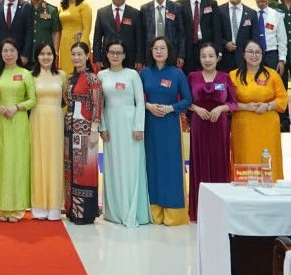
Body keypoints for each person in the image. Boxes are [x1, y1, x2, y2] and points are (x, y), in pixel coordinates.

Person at [98, 39, 150, 227]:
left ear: (125, 55)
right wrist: (102, 127)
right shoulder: (101, 75)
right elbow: (99, 105)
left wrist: (138, 127)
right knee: (112, 166)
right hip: (111, 126)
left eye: (119, 53)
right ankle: (113, 212)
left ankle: (131, 210)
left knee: (130, 166)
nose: (115, 56)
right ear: (107, 54)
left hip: (130, 126)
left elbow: (140, 102)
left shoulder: (133, 74)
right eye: (112, 52)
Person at [140, 36, 191, 225]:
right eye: (155, 48)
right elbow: (135, 97)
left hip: (170, 124)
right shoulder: (144, 73)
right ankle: (154, 211)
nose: (159, 51)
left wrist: (171, 108)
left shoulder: (177, 74)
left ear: (169, 51)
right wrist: (148, 106)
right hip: (150, 124)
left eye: (163, 48)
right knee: (151, 164)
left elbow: (187, 100)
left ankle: (173, 212)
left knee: (171, 165)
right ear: (151, 51)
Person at [0, 37, 36, 222]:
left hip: (19, 122)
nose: (8, 54)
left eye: (12, 51)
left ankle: (17, 208)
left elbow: (33, 100)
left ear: (18, 53)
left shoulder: (25, 73)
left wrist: (17, 107)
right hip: (0, 122)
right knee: (0, 161)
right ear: (0, 54)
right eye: (5, 51)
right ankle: (1, 207)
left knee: (18, 162)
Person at [187, 41, 235, 221]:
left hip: (219, 125)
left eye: (211, 56)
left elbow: (233, 102)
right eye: (203, 56)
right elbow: (184, 100)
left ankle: (219, 210)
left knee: (219, 162)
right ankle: (199, 210)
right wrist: (195, 109)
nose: (207, 60)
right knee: (200, 162)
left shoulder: (224, 77)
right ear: (199, 58)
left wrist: (220, 109)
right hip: (199, 125)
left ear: (218, 58)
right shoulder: (192, 76)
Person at [230, 39, 288, 181]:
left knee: (268, 159)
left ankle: (271, 188)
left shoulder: (272, 74)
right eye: (250, 52)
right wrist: (245, 106)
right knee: (245, 157)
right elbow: (228, 102)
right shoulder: (233, 76)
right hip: (243, 127)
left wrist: (268, 106)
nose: (254, 55)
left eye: (258, 52)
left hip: (267, 125)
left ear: (262, 55)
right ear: (243, 54)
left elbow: (282, 99)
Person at [64, 41, 103, 224]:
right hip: (70, 128)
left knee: (84, 170)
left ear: (87, 56)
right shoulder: (71, 77)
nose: (76, 57)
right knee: (71, 168)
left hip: (85, 128)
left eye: (80, 54)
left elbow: (97, 104)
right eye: (73, 54)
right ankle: (72, 209)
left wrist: (95, 129)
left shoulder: (92, 78)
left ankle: (85, 213)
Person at [29, 42, 66, 221]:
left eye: (49, 54)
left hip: (56, 120)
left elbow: (68, 100)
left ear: (55, 56)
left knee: (55, 159)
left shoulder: (62, 75)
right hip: (36, 119)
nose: (46, 57)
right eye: (42, 54)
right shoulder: (30, 76)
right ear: (37, 56)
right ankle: (38, 203)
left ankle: (55, 204)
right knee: (38, 159)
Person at [141, 0, 190, 72]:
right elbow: (142, 34)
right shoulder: (145, 8)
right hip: (151, 51)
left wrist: (181, 55)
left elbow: (181, 33)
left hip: (171, 50)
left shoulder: (176, 7)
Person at [183, 0, 228, 75]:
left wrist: (219, 51)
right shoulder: (180, 5)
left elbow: (217, 29)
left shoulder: (211, 4)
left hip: (208, 47)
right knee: (189, 77)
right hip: (189, 49)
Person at [94, 0, 143, 70]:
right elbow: (97, 38)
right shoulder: (101, 13)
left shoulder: (135, 13)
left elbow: (139, 39)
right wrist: (97, 58)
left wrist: (139, 59)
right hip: (108, 57)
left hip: (130, 58)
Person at [57, 0, 94, 74]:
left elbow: (87, 29)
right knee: (65, 71)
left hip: (79, 41)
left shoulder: (84, 6)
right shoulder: (61, 6)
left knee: (79, 70)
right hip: (64, 43)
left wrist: (82, 47)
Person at [216, 0, 253, 73]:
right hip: (224, 58)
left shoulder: (251, 13)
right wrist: (225, 43)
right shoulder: (218, 11)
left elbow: (254, 37)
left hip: (244, 58)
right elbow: (216, 33)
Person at [28, 0, 62, 65]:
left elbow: (55, 33)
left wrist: (55, 52)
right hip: (27, 54)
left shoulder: (51, 10)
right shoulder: (24, 8)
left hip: (45, 54)